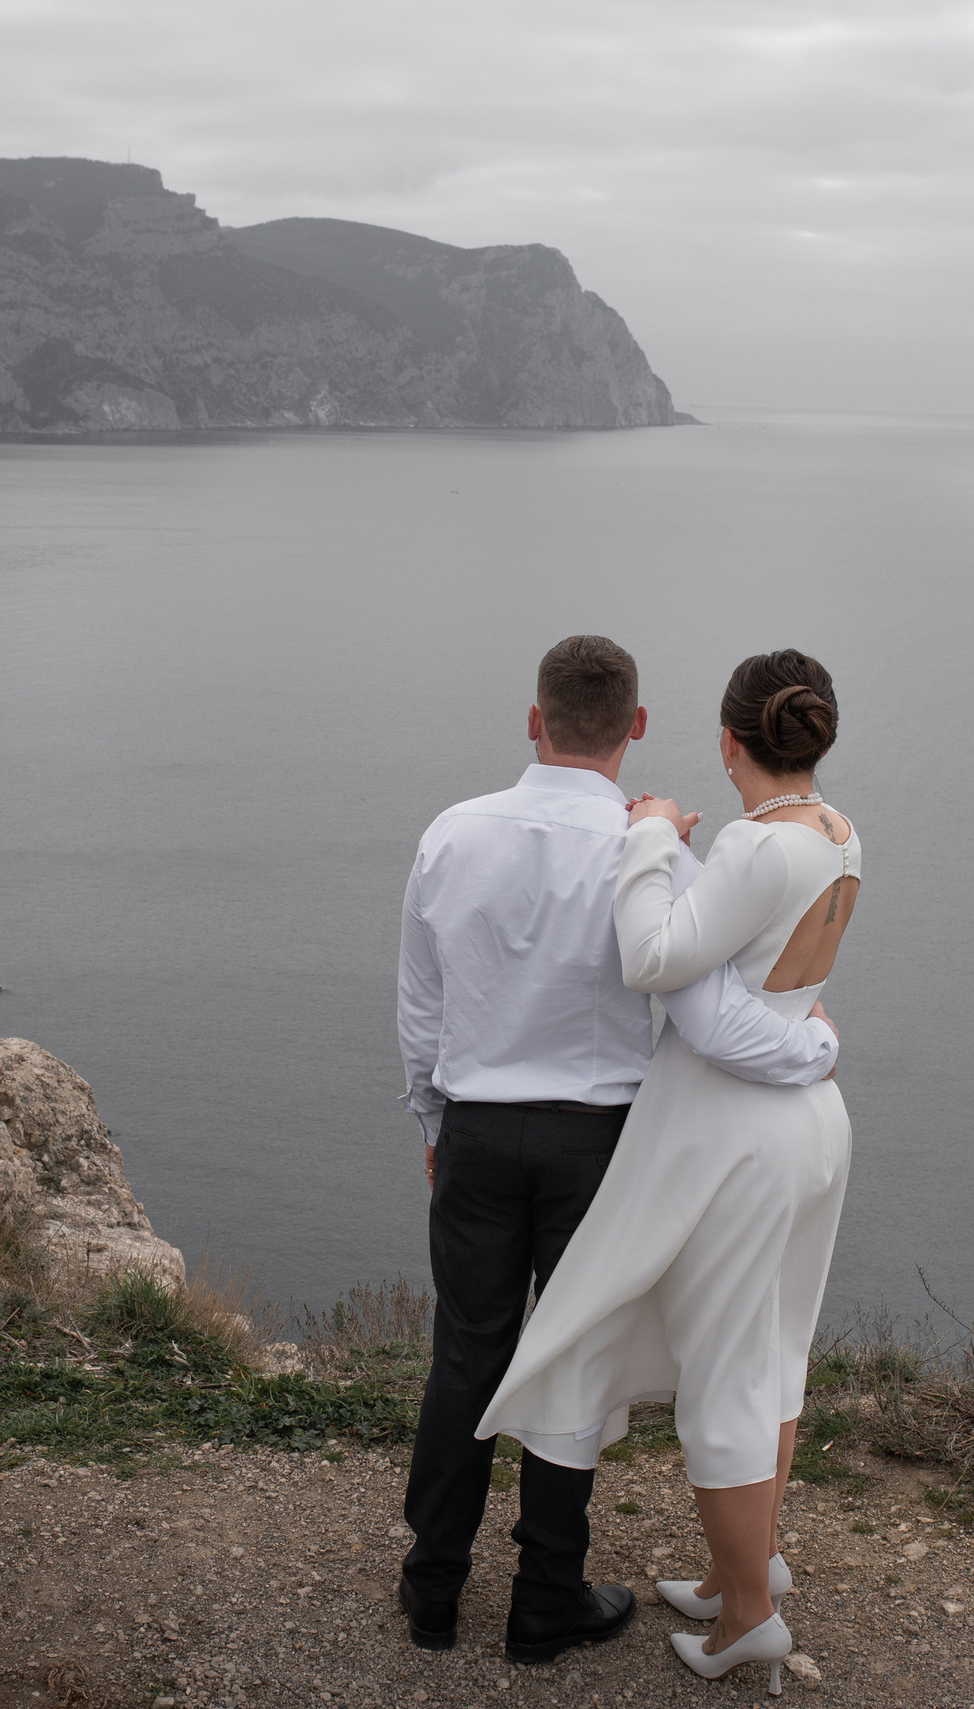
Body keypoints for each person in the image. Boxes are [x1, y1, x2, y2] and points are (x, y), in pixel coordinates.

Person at [395, 636, 845, 1666]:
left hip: (472, 1127)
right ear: (635, 725)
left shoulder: (448, 835)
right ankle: (544, 1596)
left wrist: (432, 1122)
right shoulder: (658, 848)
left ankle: (432, 1586)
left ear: (533, 717)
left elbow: (420, 1008)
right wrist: (813, 1044)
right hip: (596, 1139)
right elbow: (704, 1015)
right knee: (580, 1355)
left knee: (465, 1348)